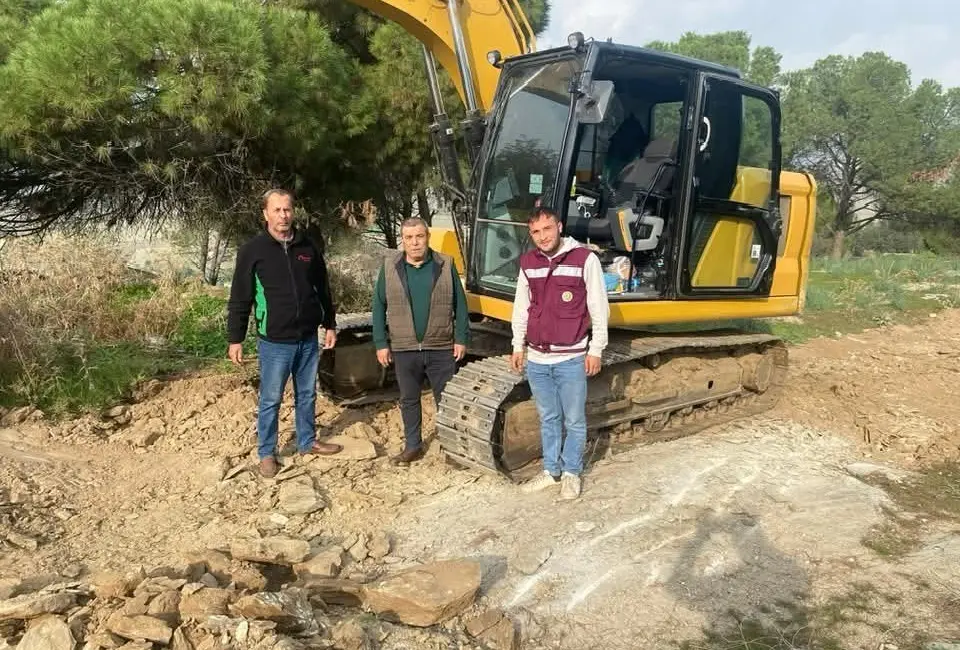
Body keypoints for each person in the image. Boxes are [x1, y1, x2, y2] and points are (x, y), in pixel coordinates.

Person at [227, 188, 343, 478]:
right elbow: (240, 297)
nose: (283, 215)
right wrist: (235, 338)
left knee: (306, 394)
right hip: (274, 341)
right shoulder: (252, 251)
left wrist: (329, 323)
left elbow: (323, 289)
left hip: (307, 337)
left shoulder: (307, 248)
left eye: (287, 209)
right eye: (277, 210)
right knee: (270, 399)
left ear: (294, 212)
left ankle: (307, 441)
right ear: (265, 214)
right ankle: (267, 452)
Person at [510, 206, 609, 500]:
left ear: (560, 226)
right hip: (538, 359)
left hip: (571, 358)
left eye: (547, 229)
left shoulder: (584, 259)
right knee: (549, 418)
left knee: (574, 420)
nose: (542, 237)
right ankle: (552, 471)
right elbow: (521, 306)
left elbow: (598, 307)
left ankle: (571, 473)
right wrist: (518, 344)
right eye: (536, 232)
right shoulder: (528, 263)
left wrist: (596, 349)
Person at [372, 217, 469, 465]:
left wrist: (460, 338)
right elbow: (378, 305)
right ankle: (413, 446)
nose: (415, 243)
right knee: (409, 399)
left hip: (440, 347)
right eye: (409, 238)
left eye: (419, 236)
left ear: (427, 237)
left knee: (446, 399)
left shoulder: (445, 265)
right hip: (404, 349)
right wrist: (381, 343)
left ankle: (452, 448)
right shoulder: (390, 267)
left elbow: (460, 304)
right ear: (402, 240)